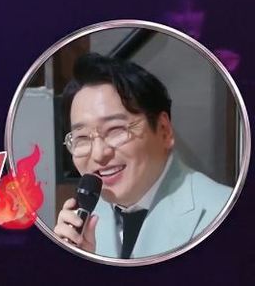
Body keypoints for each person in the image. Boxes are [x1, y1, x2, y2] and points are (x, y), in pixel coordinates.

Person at [52, 53, 232, 259]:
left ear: (164, 130)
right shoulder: (82, 221)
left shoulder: (227, 212)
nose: (99, 154)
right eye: (82, 137)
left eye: (116, 130)